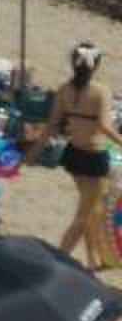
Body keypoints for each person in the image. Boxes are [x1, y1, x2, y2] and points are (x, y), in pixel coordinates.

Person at [25, 44, 122, 261]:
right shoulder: (101, 91)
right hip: (93, 157)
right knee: (84, 214)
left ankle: (92, 258)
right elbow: (105, 126)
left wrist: (34, 152)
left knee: (89, 207)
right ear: (96, 65)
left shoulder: (64, 90)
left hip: (73, 155)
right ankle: (59, 259)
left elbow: (51, 125)